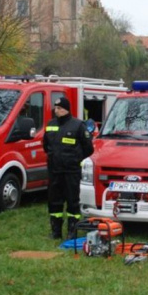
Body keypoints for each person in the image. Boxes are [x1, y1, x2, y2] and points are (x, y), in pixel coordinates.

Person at [43, 97, 93, 239]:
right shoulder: (51, 124)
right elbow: (46, 145)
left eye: (60, 108)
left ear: (66, 109)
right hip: (54, 170)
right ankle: (56, 231)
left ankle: (72, 231)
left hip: (71, 171)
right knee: (54, 202)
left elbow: (88, 148)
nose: (57, 110)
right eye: (56, 108)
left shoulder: (78, 125)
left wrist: (75, 159)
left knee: (72, 201)